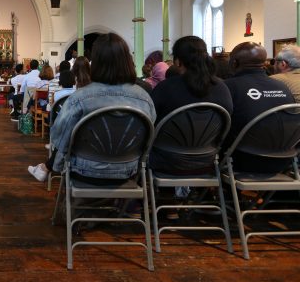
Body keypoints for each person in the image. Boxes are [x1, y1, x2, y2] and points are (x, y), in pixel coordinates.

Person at [28, 33, 155, 182]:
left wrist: (57, 163)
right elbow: (149, 136)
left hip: (85, 171)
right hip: (129, 171)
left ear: (95, 63)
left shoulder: (80, 98)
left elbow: (57, 134)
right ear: (127, 61)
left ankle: (45, 168)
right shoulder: (145, 98)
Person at [149, 36, 233, 173]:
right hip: (207, 159)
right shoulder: (222, 88)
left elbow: (150, 121)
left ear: (177, 61)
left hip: (165, 159)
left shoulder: (166, 87)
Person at [223, 42, 294, 172]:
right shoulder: (282, 87)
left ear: (234, 63)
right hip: (285, 159)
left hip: (244, 159)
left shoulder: (227, 87)